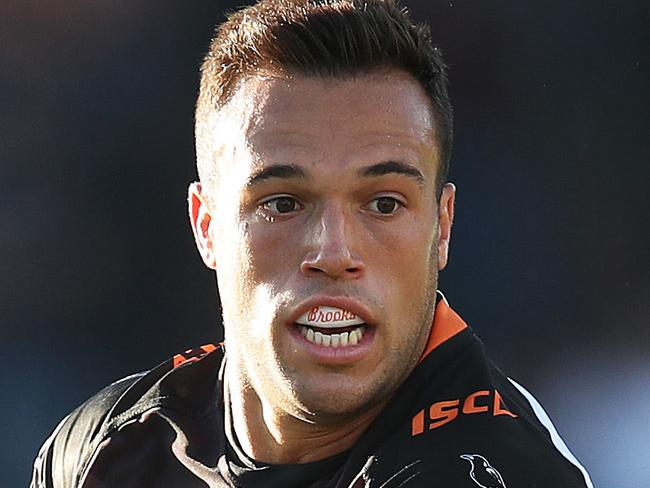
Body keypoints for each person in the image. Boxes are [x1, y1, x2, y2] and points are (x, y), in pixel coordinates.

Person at [31, 1, 593, 486]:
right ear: (207, 226)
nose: (333, 254)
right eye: (282, 203)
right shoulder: (103, 452)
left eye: (383, 204)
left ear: (442, 228)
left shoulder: (485, 469)